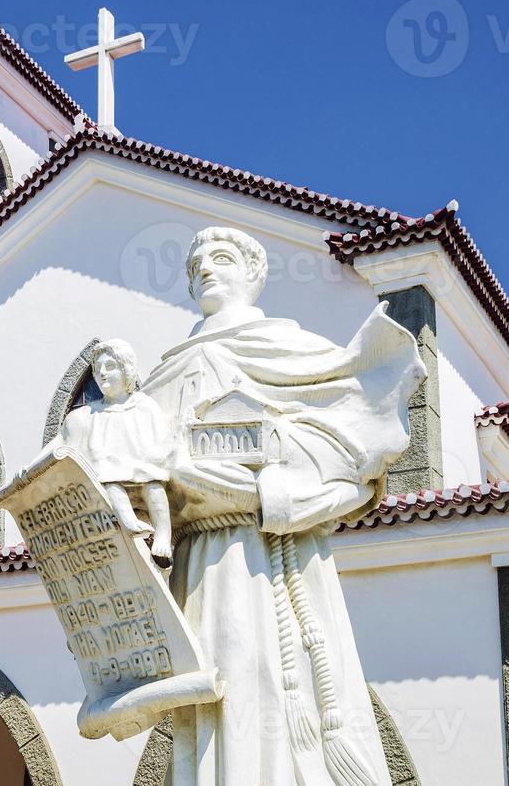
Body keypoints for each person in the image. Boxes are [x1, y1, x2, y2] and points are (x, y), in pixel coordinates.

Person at [140, 225, 425, 786]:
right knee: (210, 694)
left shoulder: (293, 350)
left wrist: (266, 493)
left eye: (220, 257)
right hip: (198, 563)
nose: (204, 269)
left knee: (270, 675)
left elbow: (356, 458)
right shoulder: (163, 373)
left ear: (254, 272)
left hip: (273, 556)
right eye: (194, 262)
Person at [60, 338, 175, 565]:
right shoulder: (90, 413)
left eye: (110, 367)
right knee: (108, 480)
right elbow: (61, 445)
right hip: (110, 477)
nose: (102, 373)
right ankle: (128, 522)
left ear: (126, 370)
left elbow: (161, 438)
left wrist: (153, 460)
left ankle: (163, 534)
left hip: (144, 470)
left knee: (154, 485)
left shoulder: (144, 405)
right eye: (97, 369)